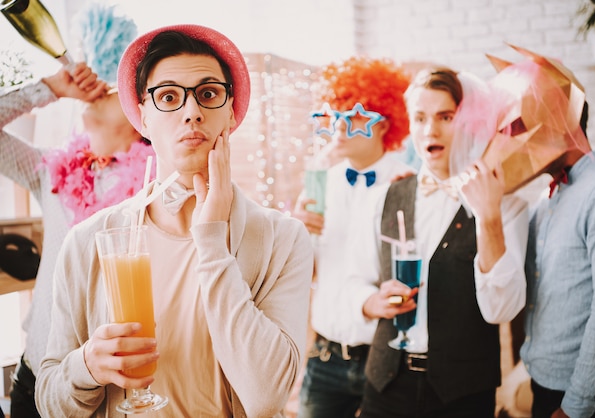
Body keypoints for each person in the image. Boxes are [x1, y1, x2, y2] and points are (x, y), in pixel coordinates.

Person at [35, 24, 314, 417]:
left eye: (208, 94)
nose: (192, 112)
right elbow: (49, 404)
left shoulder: (282, 239)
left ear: (231, 113)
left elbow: (266, 398)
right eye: (168, 97)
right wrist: (87, 366)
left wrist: (212, 241)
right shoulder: (90, 241)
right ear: (142, 119)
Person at [2, 3, 155, 416]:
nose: (101, 87)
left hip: (106, 388)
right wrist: (49, 88)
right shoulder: (51, 172)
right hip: (34, 375)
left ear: (138, 116)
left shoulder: (154, 188)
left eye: (114, 88)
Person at [358, 67, 529, 417]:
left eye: (445, 117)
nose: (430, 130)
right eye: (419, 118)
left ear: (468, 122)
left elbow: (502, 310)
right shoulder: (384, 197)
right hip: (385, 386)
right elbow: (356, 278)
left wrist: (489, 218)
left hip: (462, 395)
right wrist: (370, 301)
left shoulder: (508, 206)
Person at [494, 49, 595, 418]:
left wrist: (577, 406)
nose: (512, 141)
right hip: (545, 384)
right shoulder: (546, 199)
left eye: (520, 127)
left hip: (588, 398)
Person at [293, 56, 416, 418]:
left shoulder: (408, 184)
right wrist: (296, 232)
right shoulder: (320, 184)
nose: (342, 126)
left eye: (356, 115)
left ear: (384, 123)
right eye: (337, 115)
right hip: (324, 357)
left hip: (386, 358)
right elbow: (307, 272)